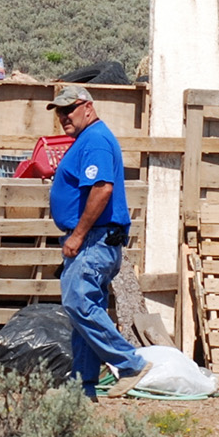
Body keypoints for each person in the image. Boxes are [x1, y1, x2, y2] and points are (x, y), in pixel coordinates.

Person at [46, 85, 151, 397]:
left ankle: (130, 363)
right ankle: (82, 386)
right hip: (96, 239)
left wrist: (77, 235)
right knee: (85, 310)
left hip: (93, 240)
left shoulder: (95, 141)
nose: (64, 116)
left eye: (70, 109)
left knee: (77, 302)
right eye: (60, 111)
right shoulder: (88, 140)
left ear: (88, 107)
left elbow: (102, 189)